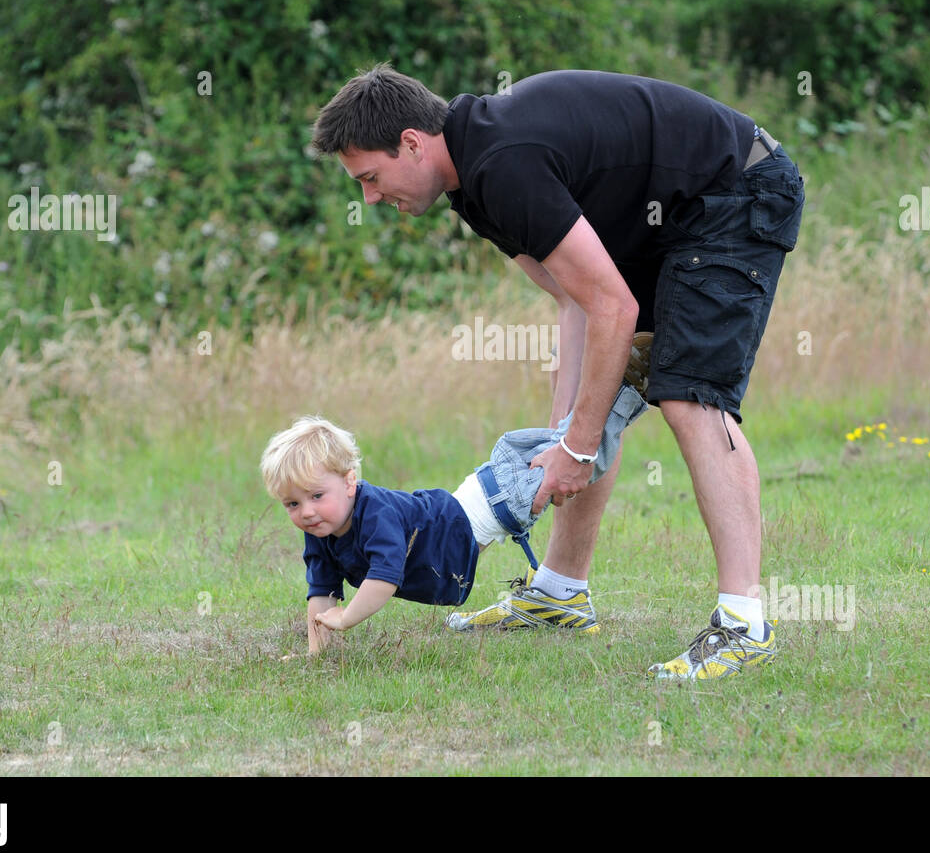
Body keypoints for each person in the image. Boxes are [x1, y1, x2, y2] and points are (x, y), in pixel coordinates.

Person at [311, 65, 804, 680]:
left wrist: (579, 444)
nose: (371, 198)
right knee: (598, 397)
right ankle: (559, 594)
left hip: (735, 193)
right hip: (673, 221)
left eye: (371, 178)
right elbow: (576, 299)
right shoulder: (471, 183)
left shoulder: (502, 164)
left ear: (411, 143)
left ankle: (744, 624)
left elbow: (613, 308)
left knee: (689, 397)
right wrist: (561, 436)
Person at [261, 381, 647, 654]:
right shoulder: (322, 531)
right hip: (481, 500)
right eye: (292, 504)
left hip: (495, 501)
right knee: (560, 447)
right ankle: (610, 390)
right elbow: (321, 594)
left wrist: (346, 619)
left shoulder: (373, 512)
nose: (306, 512)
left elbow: (383, 579)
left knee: (574, 456)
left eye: (315, 496)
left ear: (350, 482)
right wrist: (317, 654)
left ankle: (621, 391)